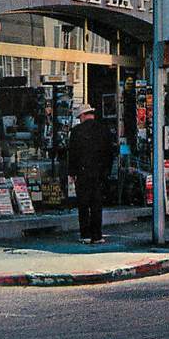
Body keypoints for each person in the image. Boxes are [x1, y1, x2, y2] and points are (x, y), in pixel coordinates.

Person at [68, 103, 114, 244]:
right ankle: (97, 235)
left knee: (83, 204)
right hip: (99, 173)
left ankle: (85, 235)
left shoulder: (76, 131)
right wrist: (106, 172)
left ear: (82, 115)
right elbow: (109, 153)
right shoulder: (104, 130)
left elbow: (73, 154)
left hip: (83, 173)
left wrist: (72, 172)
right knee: (96, 205)